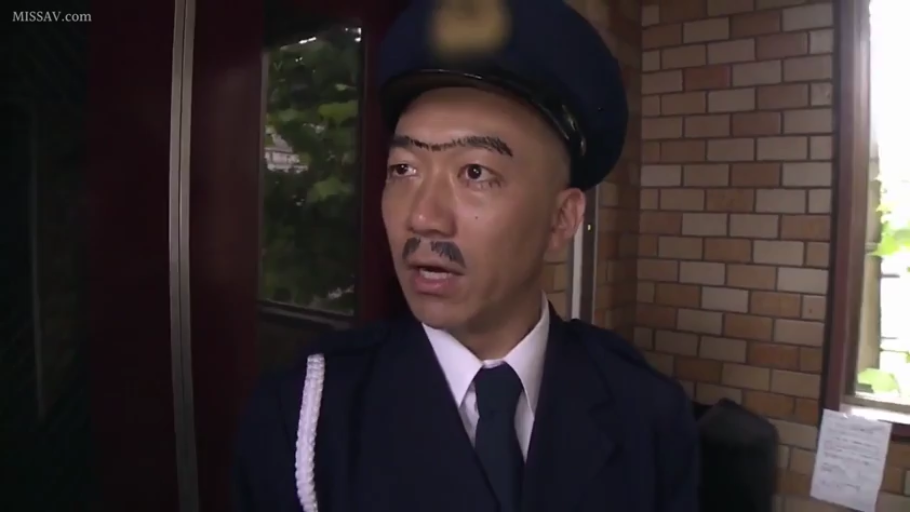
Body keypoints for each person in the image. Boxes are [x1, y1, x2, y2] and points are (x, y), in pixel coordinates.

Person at [232, 0, 700, 510]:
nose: (422, 216)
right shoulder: (305, 418)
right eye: (403, 169)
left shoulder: (647, 415)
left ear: (561, 220)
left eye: (475, 172)